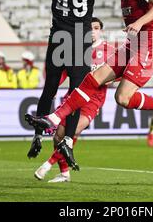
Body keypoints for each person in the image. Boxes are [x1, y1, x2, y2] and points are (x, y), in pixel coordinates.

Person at [28, 0, 153, 170]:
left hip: (150, 43)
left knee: (122, 97)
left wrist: (138, 23)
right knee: (94, 77)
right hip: (135, 42)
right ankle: (54, 119)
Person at [26, 0, 111, 169]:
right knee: (77, 92)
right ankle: (67, 142)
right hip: (79, 39)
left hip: (58, 36)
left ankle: (38, 133)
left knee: (50, 88)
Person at [34, 17, 115, 182]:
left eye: (96, 28)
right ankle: (64, 173)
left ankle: (47, 165)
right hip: (73, 97)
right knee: (58, 137)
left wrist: (109, 78)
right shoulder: (77, 50)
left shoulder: (109, 50)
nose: (93, 31)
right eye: (90, 28)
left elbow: (117, 73)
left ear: (101, 31)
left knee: (74, 131)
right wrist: (54, 87)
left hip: (93, 100)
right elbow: (63, 71)